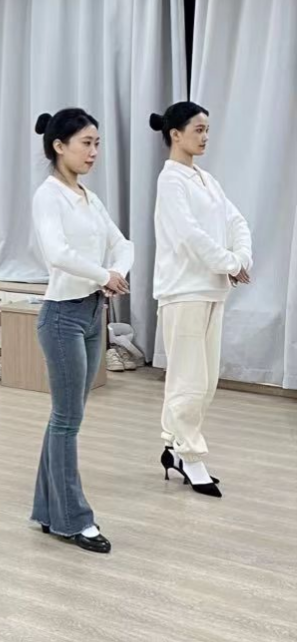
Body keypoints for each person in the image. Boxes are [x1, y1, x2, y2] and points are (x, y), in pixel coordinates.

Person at [30, 108, 134, 553]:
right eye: (86, 143)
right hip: (62, 317)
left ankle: (46, 510)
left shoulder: (89, 197)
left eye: (97, 144)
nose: (93, 152)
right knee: (67, 420)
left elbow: (123, 243)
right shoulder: (48, 196)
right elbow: (57, 253)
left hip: (93, 312)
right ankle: (73, 520)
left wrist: (115, 272)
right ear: (59, 145)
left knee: (66, 416)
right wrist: (103, 274)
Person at [150, 102, 252, 498]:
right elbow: (190, 236)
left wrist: (240, 258)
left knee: (204, 380)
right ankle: (190, 456)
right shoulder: (170, 181)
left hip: (211, 289)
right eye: (198, 129)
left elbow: (236, 221)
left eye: (207, 129)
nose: (206, 136)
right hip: (183, 291)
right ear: (175, 134)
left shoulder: (206, 180)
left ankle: (173, 447)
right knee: (189, 380)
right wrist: (229, 263)